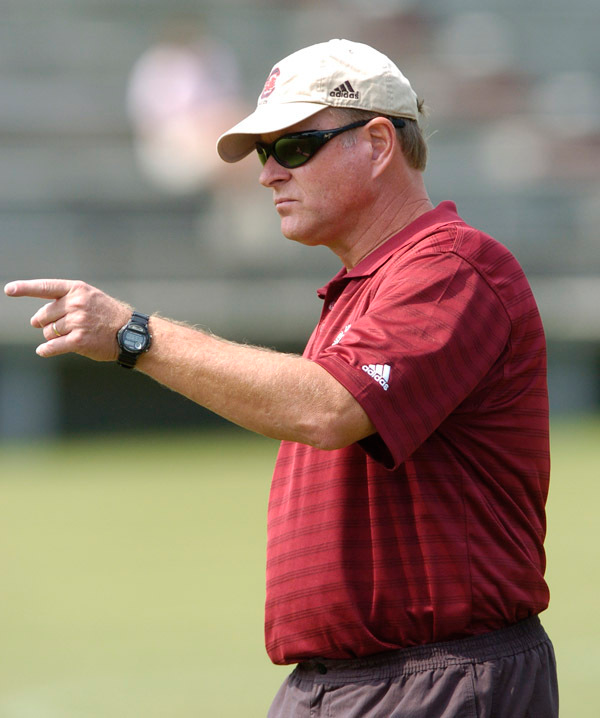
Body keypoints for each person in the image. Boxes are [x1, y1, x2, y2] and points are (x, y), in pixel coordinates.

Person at [4, 39, 558, 717]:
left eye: (293, 147)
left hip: (435, 679)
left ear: (379, 143)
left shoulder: (452, 268)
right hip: (349, 682)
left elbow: (328, 407)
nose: (269, 174)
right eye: (265, 152)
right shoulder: (368, 288)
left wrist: (134, 336)